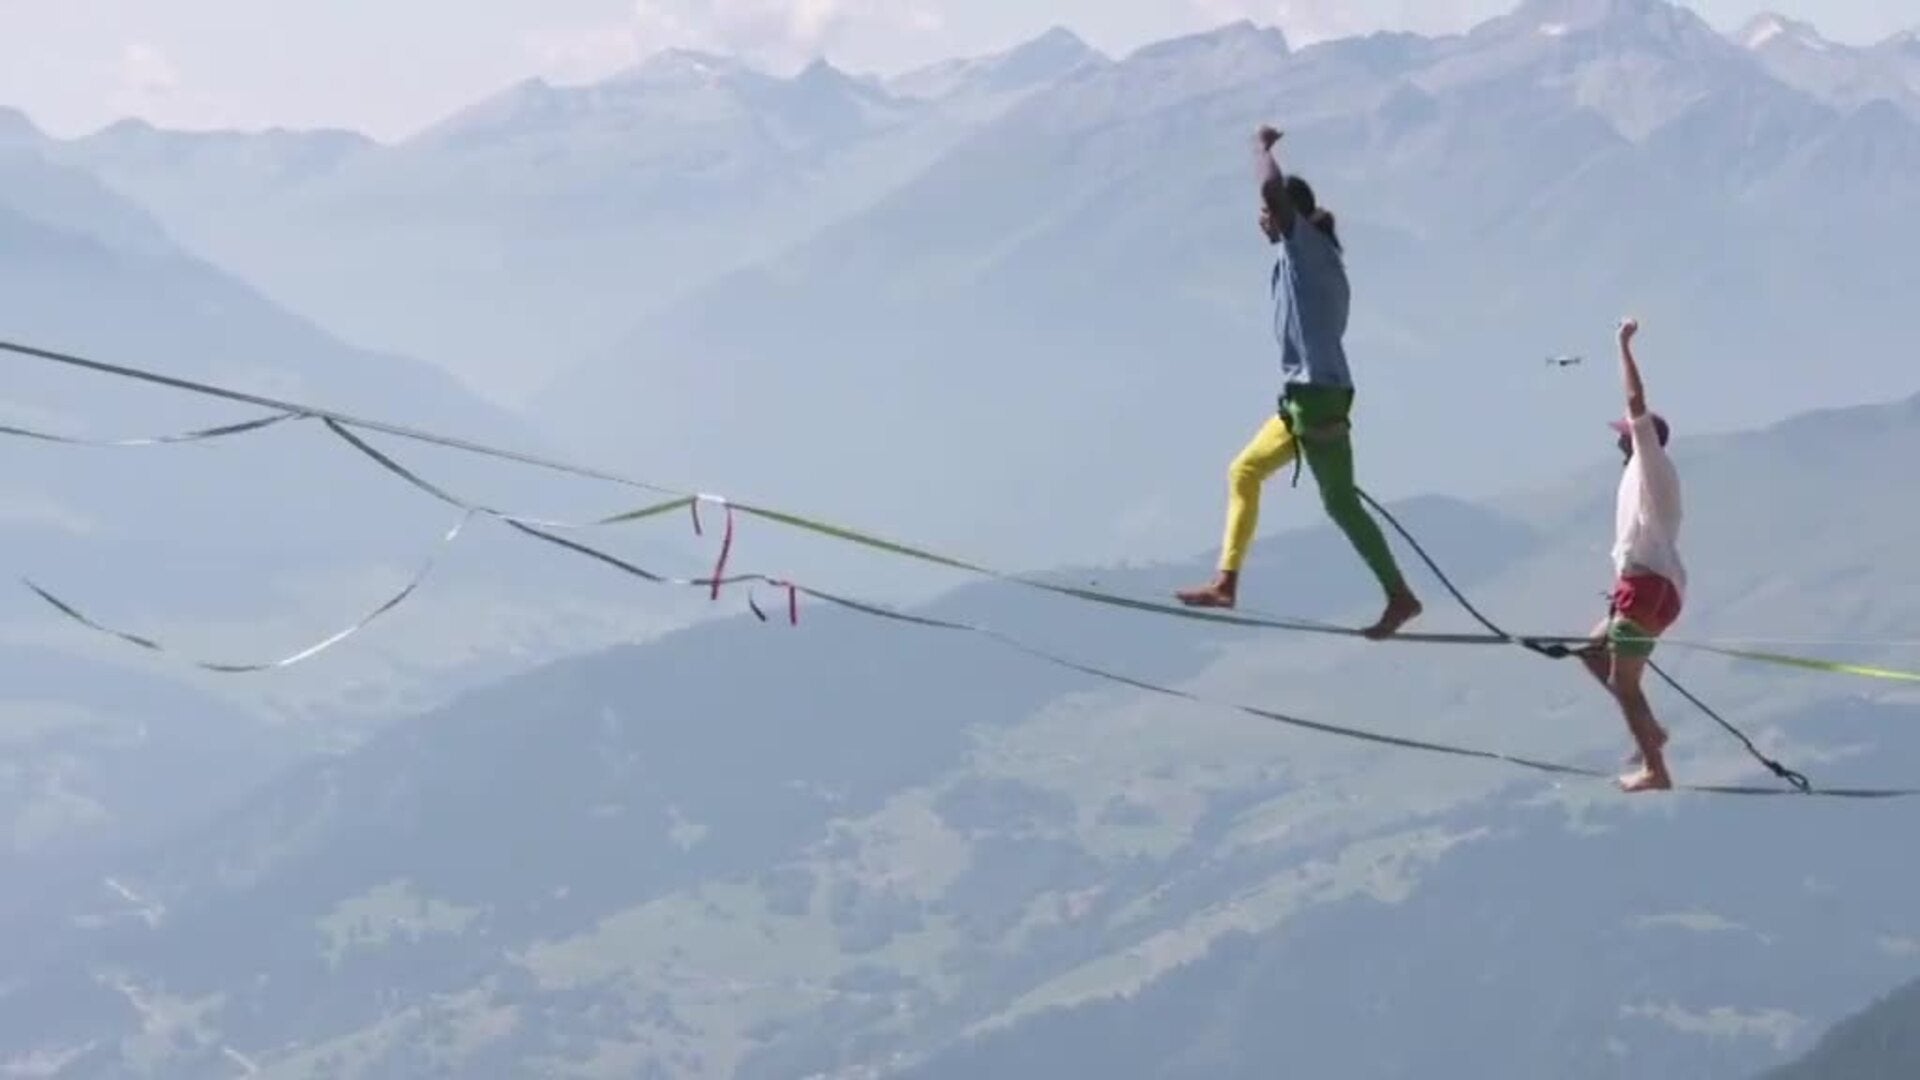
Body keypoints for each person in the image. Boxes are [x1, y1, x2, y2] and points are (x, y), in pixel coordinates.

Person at [1176, 124, 1422, 641]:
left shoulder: (1307, 249)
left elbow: (1271, 190)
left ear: (1287, 214)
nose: (1262, 220)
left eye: (1268, 214)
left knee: (1338, 504)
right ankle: (1227, 583)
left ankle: (1399, 596)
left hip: (1318, 400)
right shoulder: (1301, 257)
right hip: (1304, 401)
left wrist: (1262, 149)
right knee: (1250, 473)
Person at [1580, 317, 1685, 793]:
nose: (1619, 436)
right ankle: (1651, 733)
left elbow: (1636, 403)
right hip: (1649, 589)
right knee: (1592, 648)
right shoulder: (1642, 479)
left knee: (1624, 684)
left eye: (1625, 433)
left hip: (1647, 590)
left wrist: (1622, 345)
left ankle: (1654, 766)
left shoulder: (1649, 462)